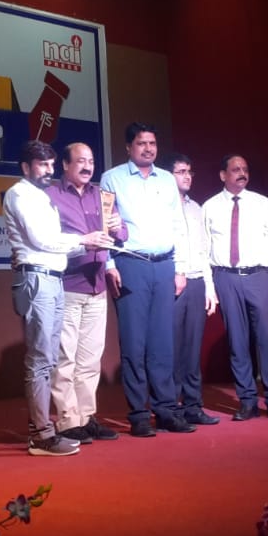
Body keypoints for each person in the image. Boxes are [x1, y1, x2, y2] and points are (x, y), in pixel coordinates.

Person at [2, 140, 112, 456]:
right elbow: (42, 240)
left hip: (53, 278)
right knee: (41, 359)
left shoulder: (42, 197)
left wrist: (88, 243)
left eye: (51, 164)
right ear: (26, 167)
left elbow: (57, 245)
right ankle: (41, 434)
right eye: (42, 165)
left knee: (49, 359)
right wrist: (84, 240)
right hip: (36, 278)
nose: (48, 170)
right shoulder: (19, 194)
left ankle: (45, 429)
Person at [100, 123, 197, 438]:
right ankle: (139, 415)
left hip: (165, 265)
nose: (148, 148)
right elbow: (104, 224)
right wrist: (109, 264)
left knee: (162, 343)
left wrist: (180, 268)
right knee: (134, 343)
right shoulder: (112, 178)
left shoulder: (167, 179)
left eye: (152, 143)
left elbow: (177, 224)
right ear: (129, 147)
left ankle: (166, 410)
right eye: (141, 143)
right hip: (131, 264)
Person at [201, 155, 268, 421]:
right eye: (235, 169)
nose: (242, 173)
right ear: (223, 175)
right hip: (225, 277)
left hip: (258, 276)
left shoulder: (261, 203)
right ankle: (247, 401)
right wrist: (209, 285)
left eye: (245, 169)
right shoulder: (209, 207)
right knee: (237, 341)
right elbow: (204, 248)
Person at [46, 142, 126, 445]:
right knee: (65, 357)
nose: (87, 166)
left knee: (90, 359)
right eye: (80, 161)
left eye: (90, 161)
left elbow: (122, 235)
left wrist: (118, 227)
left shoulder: (102, 196)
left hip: (97, 285)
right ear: (65, 165)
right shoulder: (51, 196)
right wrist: (82, 241)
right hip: (68, 284)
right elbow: (47, 239)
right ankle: (68, 420)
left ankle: (86, 417)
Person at [165, 153, 220, 426]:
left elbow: (203, 251)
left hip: (198, 281)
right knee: (172, 347)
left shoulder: (197, 208)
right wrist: (177, 272)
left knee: (192, 347)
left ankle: (193, 406)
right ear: (168, 176)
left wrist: (210, 288)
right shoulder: (161, 207)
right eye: (181, 171)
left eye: (189, 171)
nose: (187, 176)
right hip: (174, 282)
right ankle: (170, 407)